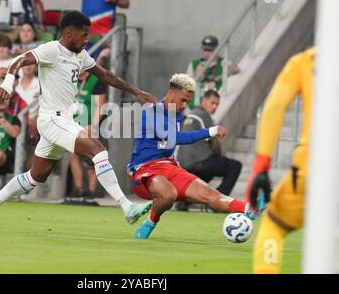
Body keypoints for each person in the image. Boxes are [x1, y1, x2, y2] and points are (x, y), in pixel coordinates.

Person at [0, 10, 157, 232]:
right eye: (84, 34)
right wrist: (8, 82)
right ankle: (127, 207)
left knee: (36, 176)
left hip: (62, 120)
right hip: (52, 119)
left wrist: (136, 92)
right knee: (98, 150)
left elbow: (106, 75)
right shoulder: (51, 49)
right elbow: (20, 59)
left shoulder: (80, 55)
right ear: (69, 33)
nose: (87, 39)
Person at [127, 74, 260, 239]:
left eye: (187, 102)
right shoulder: (152, 112)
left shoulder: (177, 115)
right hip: (145, 169)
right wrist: (211, 131)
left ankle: (249, 208)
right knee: (169, 194)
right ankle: (151, 221)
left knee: (210, 194)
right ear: (171, 93)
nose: (185, 105)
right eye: (183, 100)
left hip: (170, 167)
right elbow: (176, 137)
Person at [245, 48, 314, 274]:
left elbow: (274, 105)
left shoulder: (307, 60)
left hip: (312, 167)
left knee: (274, 225)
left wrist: (261, 167)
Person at [177, 90, 242, 201]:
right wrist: (218, 156)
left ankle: (185, 202)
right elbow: (214, 142)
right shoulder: (204, 115)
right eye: (212, 103)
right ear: (204, 100)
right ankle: (219, 200)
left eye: (217, 104)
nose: (214, 107)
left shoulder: (190, 115)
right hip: (201, 161)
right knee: (234, 166)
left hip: (184, 165)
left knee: (204, 175)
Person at [67, 70, 108, 203]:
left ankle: (91, 191)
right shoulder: (73, 80)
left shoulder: (96, 82)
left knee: (93, 157)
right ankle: (78, 189)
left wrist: (93, 125)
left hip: (92, 126)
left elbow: (101, 106)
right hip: (75, 124)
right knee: (73, 154)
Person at [187, 35, 239, 107]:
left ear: (216, 50)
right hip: (196, 104)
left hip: (214, 105)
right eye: (205, 50)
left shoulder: (222, 62)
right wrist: (196, 74)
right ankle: (171, 118)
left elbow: (236, 69)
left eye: (210, 50)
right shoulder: (194, 64)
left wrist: (215, 79)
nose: (207, 53)